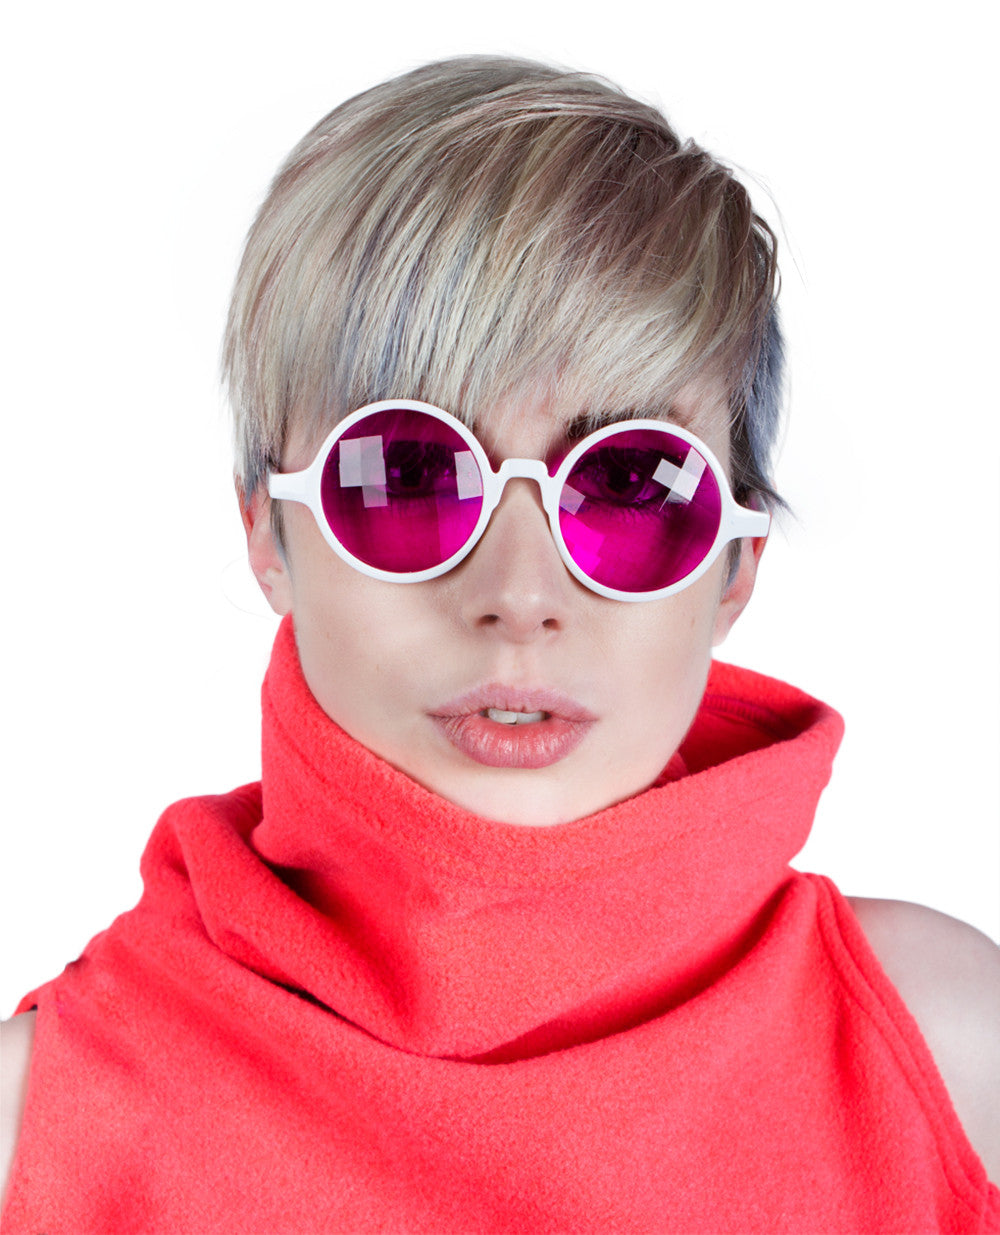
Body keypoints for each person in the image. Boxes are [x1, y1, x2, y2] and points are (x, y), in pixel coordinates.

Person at [2, 55, 998, 1233]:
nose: (520, 596)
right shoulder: (35, 1125)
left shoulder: (945, 1055)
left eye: (632, 484)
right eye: (407, 475)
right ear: (267, 531)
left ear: (735, 565)